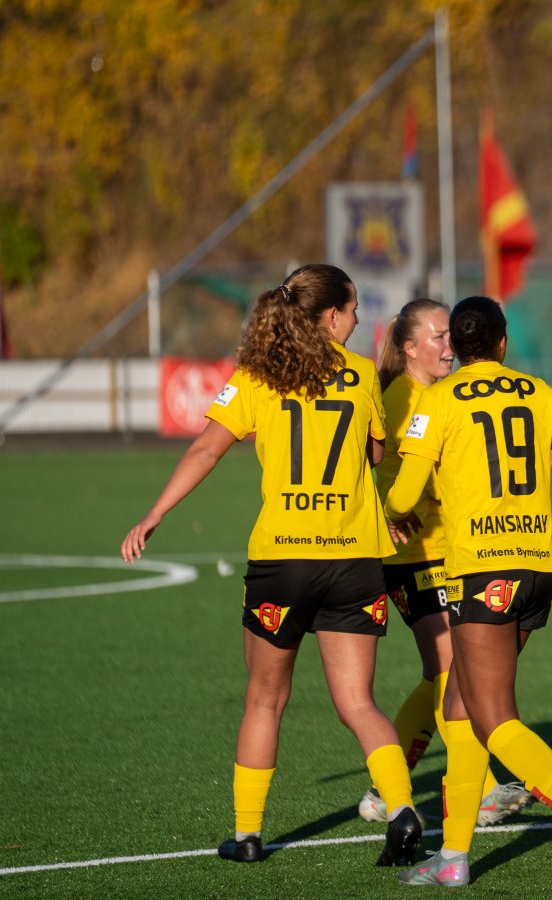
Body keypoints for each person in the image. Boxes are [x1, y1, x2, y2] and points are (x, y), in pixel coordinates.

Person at [120, 263, 422, 866]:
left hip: (283, 560)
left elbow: (207, 448)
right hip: (354, 558)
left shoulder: (259, 375)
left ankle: (248, 836)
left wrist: (154, 513)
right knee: (358, 703)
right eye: (353, 309)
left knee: (264, 699)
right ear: (330, 316)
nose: (357, 320)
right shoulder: (362, 374)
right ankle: (403, 812)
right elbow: (375, 454)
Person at [385, 296, 552, 886]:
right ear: (501, 342)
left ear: (456, 346)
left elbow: (401, 495)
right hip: (537, 565)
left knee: (493, 718)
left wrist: (405, 503)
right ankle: (454, 858)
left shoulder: (438, 400)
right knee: (459, 707)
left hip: (481, 568)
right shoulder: (541, 394)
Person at [358, 298, 530, 828]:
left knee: (446, 676)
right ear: (410, 349)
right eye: (438, 336)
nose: (449, 345)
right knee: (450, 671)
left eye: (449, 334)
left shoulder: (439, 396)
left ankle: (386, 789)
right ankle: (481, 791)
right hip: (415, 555)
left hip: (448, 551)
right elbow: (391, 477)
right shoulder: (401, 399)